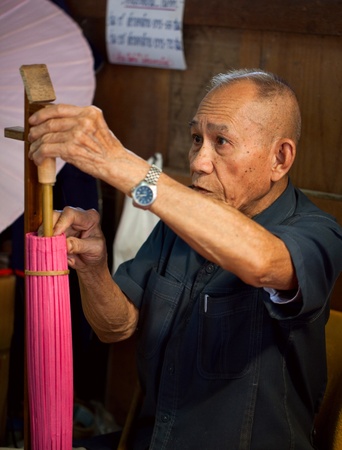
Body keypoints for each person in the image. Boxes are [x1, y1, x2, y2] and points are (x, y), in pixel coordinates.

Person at [28, 68, 342, 450]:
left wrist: (122, 165)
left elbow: (262, 262)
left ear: (280, 157)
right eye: (197, 139)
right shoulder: (181, 223)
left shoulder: (318, 232)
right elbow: (118, 326)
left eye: (221, 141)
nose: (199, 162)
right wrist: (93, 268)